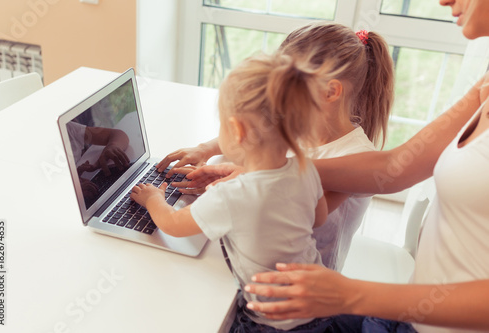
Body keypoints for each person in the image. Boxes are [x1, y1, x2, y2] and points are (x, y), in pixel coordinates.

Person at [242, 0, 489, 332]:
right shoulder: (484, 85)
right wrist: (264, 170)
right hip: (409, 319)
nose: (443, 1)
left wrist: (350, 295)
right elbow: (394, 168)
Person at [157, 22, 395, 272]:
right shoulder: (300, 124)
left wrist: (241, 185)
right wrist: (206, 149)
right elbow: (259, 130)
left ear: (331, 91)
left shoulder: (357, 159)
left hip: (307, 285)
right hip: (270, 263)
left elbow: (298, 210)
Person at [130, 52, 329, 332]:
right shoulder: (305, 169)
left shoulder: (232, 195)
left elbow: (173, 225)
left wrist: (153, 199)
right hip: (317, 305)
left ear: (235, 130)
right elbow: (318, 218)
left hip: (271, 322)